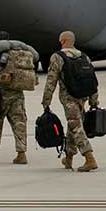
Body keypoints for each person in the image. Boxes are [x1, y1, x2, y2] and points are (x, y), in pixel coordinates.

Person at [42, 30, 100, 172]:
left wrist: (46, 100)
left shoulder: (57, 57)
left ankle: (89, 158)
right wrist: (94, 100)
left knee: (75, 126)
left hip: (69, 98)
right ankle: (68, 158)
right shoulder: (84, 56)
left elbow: (51, 80)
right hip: (83, 97)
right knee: (72, 125)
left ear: (62, 41)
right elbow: (92, 80)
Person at [0, 31, 36, 165]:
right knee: (19, 123)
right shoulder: (19, 53)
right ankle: (21, 154)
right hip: (17, 94)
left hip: (0, 96)